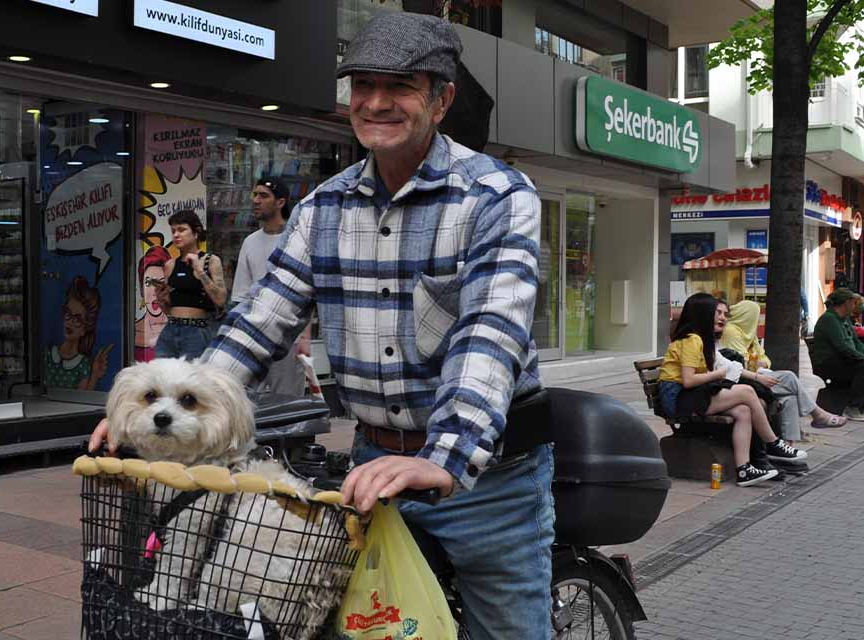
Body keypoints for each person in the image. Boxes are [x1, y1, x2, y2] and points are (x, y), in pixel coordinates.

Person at [93, 13, 551, 638]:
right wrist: (153, 407)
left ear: (442, 99)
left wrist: (445, 457)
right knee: (357, 627)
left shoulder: (497, 195)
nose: (377, 102)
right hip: (370, 473)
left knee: (507, 630)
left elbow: (490, 332)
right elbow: (263, 320)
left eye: (402, 86)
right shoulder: (325, 205)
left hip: (487, 477)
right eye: (363, 85)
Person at [659, 294, 807, 487]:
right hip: (678, 398)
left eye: (724, 314)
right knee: (746, 392)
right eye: (716, 313)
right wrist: (717, 375)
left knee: (744, 410)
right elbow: (688, 381)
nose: (721, 317)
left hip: (691, 394)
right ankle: (773, 443)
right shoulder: (692, 340)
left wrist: (753, 376)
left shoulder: (702, 340)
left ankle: (744, 470)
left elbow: (726, 366)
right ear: (703, 314)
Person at [720, 300, 846, 441]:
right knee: (789, 377)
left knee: (789, 398)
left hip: (757, 375)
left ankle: (788, 445)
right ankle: (817, 414)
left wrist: (760, 364)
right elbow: (741, 364)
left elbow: (765, 359)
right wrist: (757, 364)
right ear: (746, 316)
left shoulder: (749, 333)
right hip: (744, 379)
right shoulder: (732, 331)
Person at [229, 178, 311, 396]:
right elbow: (241, 294)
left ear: (280, 202)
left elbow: (309, 294)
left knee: (287, 401)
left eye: (263, 196)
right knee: (250, 402)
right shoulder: (250, 242)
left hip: (288, 334)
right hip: (254, 334)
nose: (256, 201)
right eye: (254, 195)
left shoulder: (297, 240)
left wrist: (305, 338)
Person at [150, 210, 227, 360]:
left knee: (191, 379)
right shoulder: (170, 265)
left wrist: (200, 271)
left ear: (196, 232)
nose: (176, 235)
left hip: (197, 330)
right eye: (173, 231)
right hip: (171, 329)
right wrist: (161, 299)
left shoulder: (210, 261)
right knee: (162, 377)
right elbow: (169, 310)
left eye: (182, 230)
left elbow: (220, 300)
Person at [810, 289, 864, 422]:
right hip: (829, 363)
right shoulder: (829, 319)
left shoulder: (845, 319)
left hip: (844, 360)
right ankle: (852, 408)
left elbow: (856, 342)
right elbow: (842, 347)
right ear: (846, 303)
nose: (855, 307)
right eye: (854, 303)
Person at [47, 276, 112, 390]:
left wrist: (94, 375)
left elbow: (83, 396)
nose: (70, 322)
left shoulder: (83, 364)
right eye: (68, 314)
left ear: (85, 328)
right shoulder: (48, 354)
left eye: (77, 319)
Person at [133, 244, 171, 362]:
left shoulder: (178, 329)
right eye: (149, 283)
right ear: (141, 288)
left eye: (161, 282)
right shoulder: (132, 331)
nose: (155, 291)